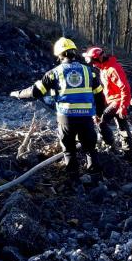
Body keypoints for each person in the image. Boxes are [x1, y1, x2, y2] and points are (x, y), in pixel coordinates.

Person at [10, 37, 103, 188]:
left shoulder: (54, 73)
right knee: (90, 148)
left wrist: (18, 93)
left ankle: (74, 181)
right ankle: (96, 180)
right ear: (74, 53)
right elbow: (99, 96)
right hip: (86, 117)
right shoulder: (89, 72)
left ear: (59, 55)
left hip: (66, 118)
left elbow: (35, 92)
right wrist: (99, 114)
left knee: (69, 149)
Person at [82, 46, 132, 160]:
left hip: (118, 102)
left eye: (93, 62)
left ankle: (111, 146)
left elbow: (125, 88)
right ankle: (129, 155)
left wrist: (123, 107)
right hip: (113, 101)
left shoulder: (112, 69)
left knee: (101, 122)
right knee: (123, 128)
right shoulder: (104, 69)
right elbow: (108, 90)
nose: (93, 65)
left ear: (99, 58)